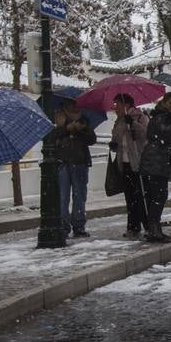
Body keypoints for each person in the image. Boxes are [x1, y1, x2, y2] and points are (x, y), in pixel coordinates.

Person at [138, 91, 171, 243]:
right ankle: (153, 230)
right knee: (157, 197)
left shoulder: (164, 117)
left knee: (158, 197)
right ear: (164, 103)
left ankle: (154, 229)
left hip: (159, 161)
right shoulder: (159, 117)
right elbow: (166, 132)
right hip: (155, 162)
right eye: (170, 103)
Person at [50, 98, 96, 238]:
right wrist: (65, 129)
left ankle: (79, 225)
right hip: (62, 162)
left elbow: (91, 139)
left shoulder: (84, 120)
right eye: (72, 104)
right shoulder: (57, 119)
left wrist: (81, 130)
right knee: (63, 197)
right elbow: (50, 138)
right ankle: (63, 226)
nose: (75, 107)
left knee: (79, 196)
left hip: (80, 162)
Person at [110, 92, 149, 239]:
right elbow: (116, 136)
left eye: (117, 105)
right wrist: (114, 143)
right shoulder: (119, 120)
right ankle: (132, 226)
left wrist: (133, 124)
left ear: (126, 105)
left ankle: (147, 225)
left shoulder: (140, 116)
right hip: (124, 163)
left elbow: (146, 134)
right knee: (130, 197)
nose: (115, 108)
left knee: (141, 196)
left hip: (138, 163)